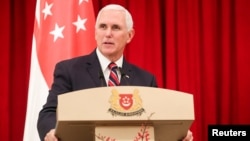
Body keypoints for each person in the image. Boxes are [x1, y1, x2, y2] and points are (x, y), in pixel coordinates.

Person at [37, 4, 193, 141]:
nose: (108, 34)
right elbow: (49, 112)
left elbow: (157, 123)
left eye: (116, 28)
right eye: (103, 27)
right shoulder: (69, 70)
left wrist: (179, 134)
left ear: (130, 35)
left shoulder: (146, 79)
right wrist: (51, 131)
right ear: (95, 32)